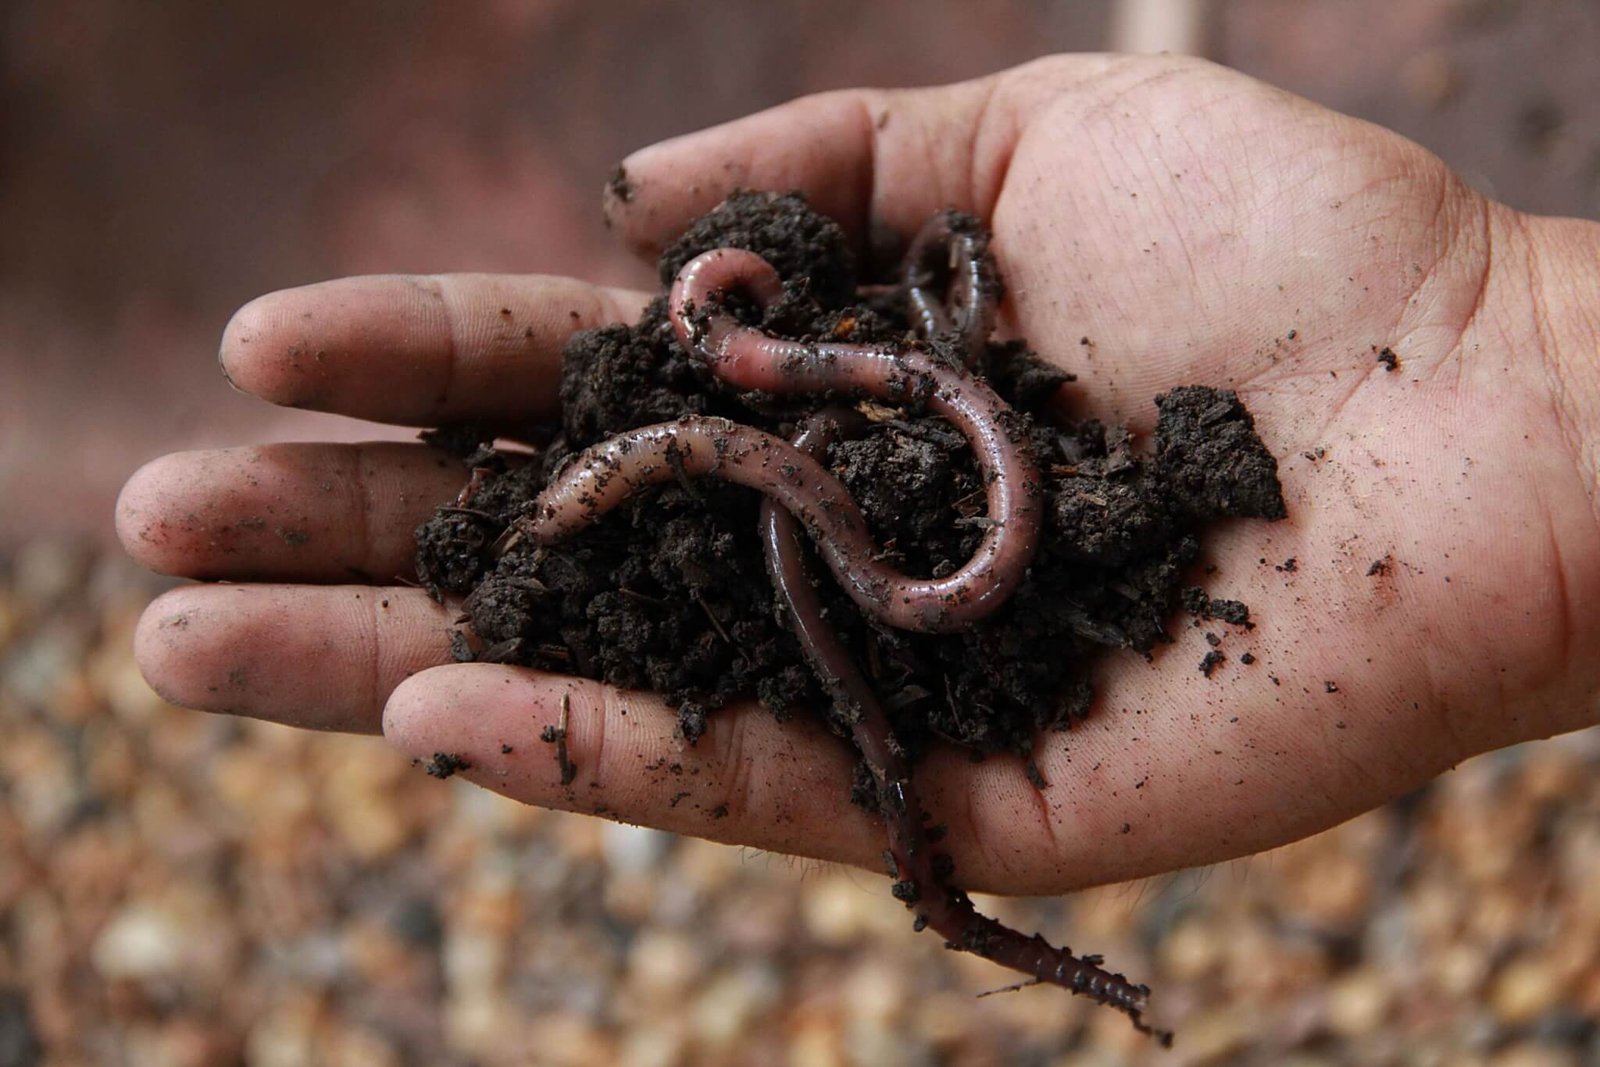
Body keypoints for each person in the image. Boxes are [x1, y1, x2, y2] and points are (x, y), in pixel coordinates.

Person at [116, 55, 1598, 896]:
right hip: (888, 450)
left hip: (914, 482)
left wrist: (1518, 362)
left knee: (831, 522)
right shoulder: (767, 374)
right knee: (812, 517)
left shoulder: (787, 365)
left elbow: (769, 390)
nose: (715, 322)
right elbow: (744, 403)